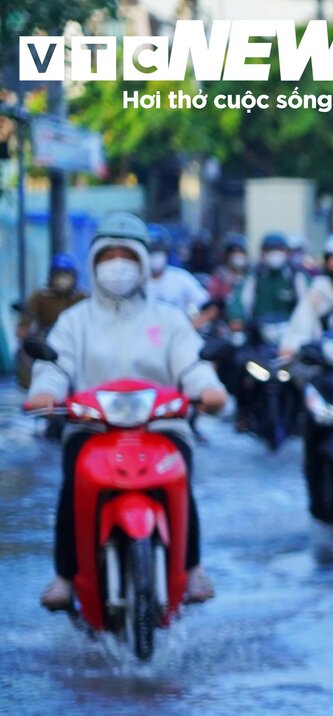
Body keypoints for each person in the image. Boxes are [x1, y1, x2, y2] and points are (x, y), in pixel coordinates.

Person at [25, 212, 228, 610]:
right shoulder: (75, 320)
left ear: (141, 261)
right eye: (107, 256)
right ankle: (65, 576)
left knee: (180, 477)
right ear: (94, 262)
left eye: (126, 256)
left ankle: (191, 568)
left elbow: (192, 364)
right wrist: (44, 392)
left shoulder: (168, 319)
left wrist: (208, 388)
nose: (117, 266)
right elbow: (54, 365)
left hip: (161, 425)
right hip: (92, 427)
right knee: (71, 485)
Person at [13, 253, 87, 389]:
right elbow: (25, 324)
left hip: (76, 341)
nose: (63, 278)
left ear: (74, 276)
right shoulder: (40, 296)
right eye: (59, 274)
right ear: (51, 275)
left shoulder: (82, 298)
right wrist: (26, 336)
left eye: (67, 274)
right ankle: (32, 388)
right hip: (46, 342)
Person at [144, 225, 221, 328]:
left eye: (158, 250)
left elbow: (211, 309)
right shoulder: (136, 281)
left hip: (177, 338)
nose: (154, 256)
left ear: (166, 252)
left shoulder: (181, 278)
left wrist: (190, 329)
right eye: (150, 252)